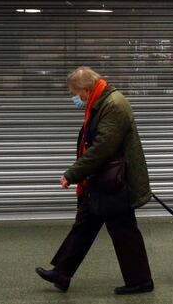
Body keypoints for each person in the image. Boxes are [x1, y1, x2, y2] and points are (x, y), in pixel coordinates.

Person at [35, 66, 154, 295]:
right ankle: (62, 272)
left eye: (76, 93)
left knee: (123, 230)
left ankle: (141, 281)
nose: (75, 98)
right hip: (102, 179)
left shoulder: (113, 105)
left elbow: (102, 148)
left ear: (87, 89)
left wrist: (72, 173)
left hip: (115, 181)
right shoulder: (100, 102)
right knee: (85, 225)